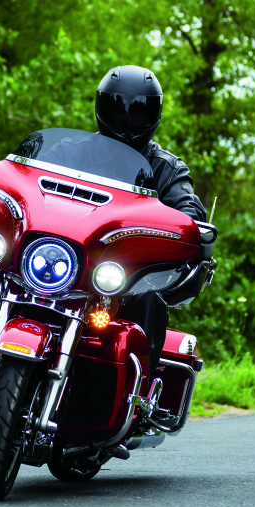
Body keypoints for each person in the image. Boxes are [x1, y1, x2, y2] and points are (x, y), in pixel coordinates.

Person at [94, 65, 207, 380]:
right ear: (102, 107)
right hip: (75, 259)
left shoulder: (167, 169)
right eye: (118, 111)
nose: (126, 121)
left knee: (149, 299)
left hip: (126, 274)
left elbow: (188, 206)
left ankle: (137, 387)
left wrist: (188, 221)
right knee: (0, 276)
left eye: (137, 114)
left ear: (153, 116)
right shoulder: (71, 151)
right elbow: (28, 176)